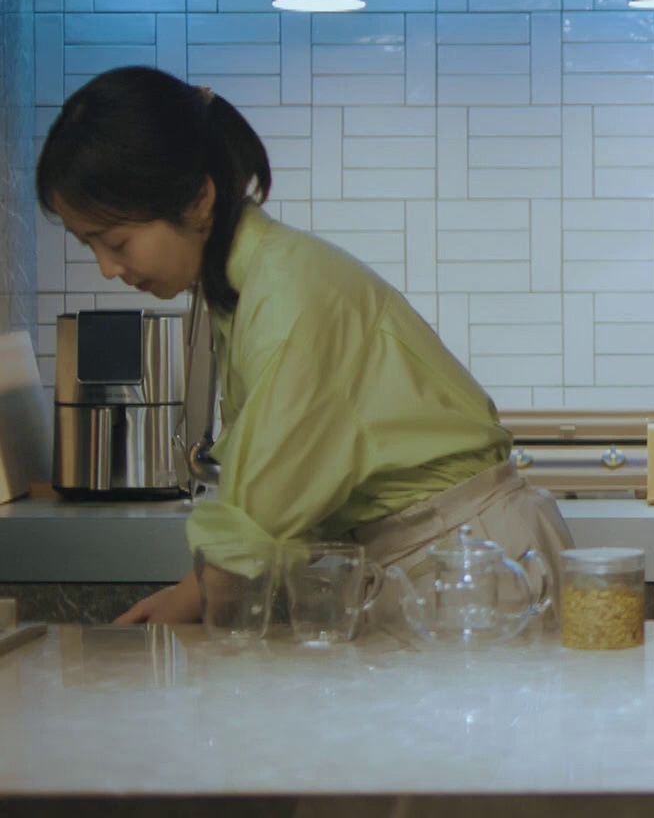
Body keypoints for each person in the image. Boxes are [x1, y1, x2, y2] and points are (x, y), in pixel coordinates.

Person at [36, 66, 572, 626]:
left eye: (116, 241)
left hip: (470, 565)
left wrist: (186, 601)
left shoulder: (287, 295)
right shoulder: (243, 289)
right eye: (90, 246)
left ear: (197, 200)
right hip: (439, 558)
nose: (107, 268)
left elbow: (258, 520)